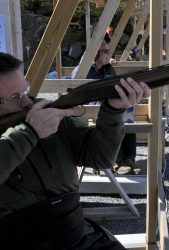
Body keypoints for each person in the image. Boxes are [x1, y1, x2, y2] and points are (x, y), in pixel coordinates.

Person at [0, 52, 150, 249]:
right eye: (15, 97)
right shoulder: (34, 123)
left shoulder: (42, 113)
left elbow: (99, 158)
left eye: (25, 92)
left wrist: (113, 110)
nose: (27, 102)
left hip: (77, 235)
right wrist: (30, 132)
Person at [73, 40, 142, 175]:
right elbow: (78, 96)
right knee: (118, 118)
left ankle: (129, 158)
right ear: (94, 55)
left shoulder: (108, 68)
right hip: (90, 108)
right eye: (105, 51)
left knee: (128, 112)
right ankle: (117, 161)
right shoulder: (83, 70)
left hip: (106, 106)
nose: (109, 54)